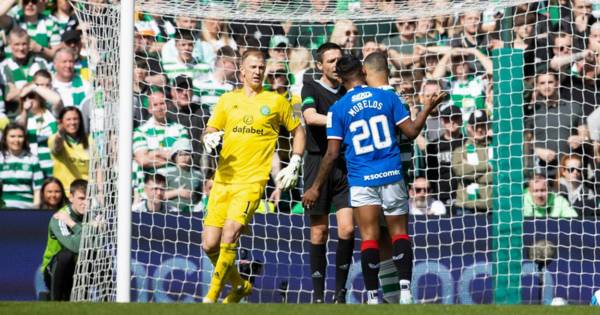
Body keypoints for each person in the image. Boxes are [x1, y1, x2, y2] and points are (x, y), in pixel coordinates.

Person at [303, 54, 446, 304]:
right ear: (362, 71)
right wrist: (428, 109)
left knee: (369, 237)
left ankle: (371, 297)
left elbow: (332, 153)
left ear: (341, 77)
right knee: (399, 234)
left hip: (361, 179)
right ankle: (405, 293)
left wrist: (315, 186)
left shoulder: (338, 109)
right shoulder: (388, 97)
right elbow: (412, 132)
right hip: (391, 173)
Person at [201, 48, 305, 304]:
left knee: (230, 233)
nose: (258, 71)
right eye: (253, 67)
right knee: (209, 244)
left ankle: (211, 298)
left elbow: (298, 130)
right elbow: (211, 128)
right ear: (242, 71)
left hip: (251, 183)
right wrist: (208, 138)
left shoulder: (277, 101)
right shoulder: (227, 100)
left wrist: (295, 160)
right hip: (223, 179)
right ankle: (239, 285)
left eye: (261, 67)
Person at [300, 42, 353, 304]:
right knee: (319, 231)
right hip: (317, 162)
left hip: (344, 165)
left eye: (339, 60)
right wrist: (341, 120)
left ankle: (340, 294)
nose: (336, 65)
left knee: (347, 229)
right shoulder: (310, 86)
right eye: (330, 61)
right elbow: (310, 117)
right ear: (320, 65)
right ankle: (319, 297)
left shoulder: (349, 89)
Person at [41, 179, 88, 301]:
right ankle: (54, 301)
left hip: (79, 268)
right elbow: (74, 246)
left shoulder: (94, 215)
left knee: (101, 256)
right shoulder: (60, 217)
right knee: (66, 255)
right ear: (71, 197)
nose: (86, 203)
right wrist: (73, 224)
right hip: (54, 270)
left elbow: (97, 244)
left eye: (90, 199)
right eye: (81, 198)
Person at [0, 27, 49, 117]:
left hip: (40, 116)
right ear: (10, 45)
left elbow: (47, 91)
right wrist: (35, 86)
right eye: (17, 44)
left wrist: (19, 92)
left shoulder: (40, 63)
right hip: (15, 119)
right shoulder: (3, 67)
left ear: (29, 44)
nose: (21, 48)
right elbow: (8, 97)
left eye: (24, 44)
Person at [452, 110, 493, 214]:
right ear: (469, 128)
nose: (479, 129)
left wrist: (473, 173)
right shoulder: (460, 150)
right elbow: (460, 171)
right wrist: (487, 166)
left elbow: (501, 174)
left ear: (488, 126)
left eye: (483, 126)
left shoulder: (496, 148)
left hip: (493, 208)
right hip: (466, 208)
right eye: (475, 126)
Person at [16, 83, 58, 178]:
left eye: (31, 96)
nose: (28, 101)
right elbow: (19, 130)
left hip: (55, 165)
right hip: (34, 169)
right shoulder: (22, 117)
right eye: (24, 98)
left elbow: (57, 100)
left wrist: (33, 87)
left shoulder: (50, 113)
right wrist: (25, 112)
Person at [0, 123, 43, 208]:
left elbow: (38, 188)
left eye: (20, 136)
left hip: (27, 207)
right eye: (12, 136)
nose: (16, 140)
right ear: (5, 139)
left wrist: (35, 209)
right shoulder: (0, 158)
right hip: (4, 207)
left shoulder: (32, 159)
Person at [48, 106, 90, 192]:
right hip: (64, 192)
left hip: (86, 193)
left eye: (75, 119)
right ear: (61, 122)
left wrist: (100, 192)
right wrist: (60, 134)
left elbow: (97, 167)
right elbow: (57, 147)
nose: (73, 122)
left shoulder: (90, 139)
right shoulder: (54, 138)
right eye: (68, 119)